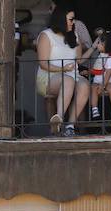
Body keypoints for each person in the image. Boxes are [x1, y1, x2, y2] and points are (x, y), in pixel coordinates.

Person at [36, 7, 88, 137]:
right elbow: (43, 64)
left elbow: (79, 60)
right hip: (49, 77)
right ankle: (58, 119)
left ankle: (70, 126)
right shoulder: (46, 35)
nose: (73, 22)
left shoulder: (73, 34)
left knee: (85, 85)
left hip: (72, 74)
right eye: (70, 19)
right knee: (68, 81)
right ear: (60, 20)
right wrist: (63, 69)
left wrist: (89, 46)